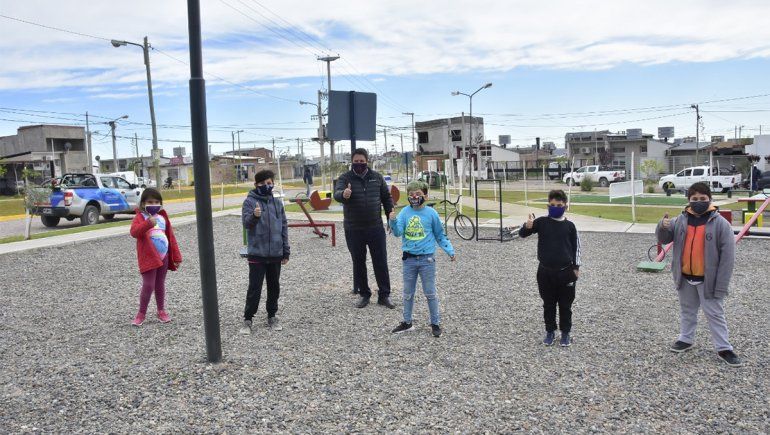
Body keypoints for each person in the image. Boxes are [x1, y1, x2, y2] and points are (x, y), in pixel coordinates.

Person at [656, 182, 741, 367]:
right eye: (694, 199)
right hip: (685, 276)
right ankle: (686, 338)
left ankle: (724, 347)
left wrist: (721, 284)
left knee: (715, 314)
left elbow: (728, 258)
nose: (699, 202)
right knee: (687, 310)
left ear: (710, 199)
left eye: (703, 199)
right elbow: (664, 238)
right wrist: (662, 226)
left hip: (708, 280)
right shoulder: (681, 220)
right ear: (688, 200)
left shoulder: (721, 224)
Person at [389, 181, 455, 338]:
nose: (414, 197)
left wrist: (449, 250)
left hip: (427, 260)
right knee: (407, 293)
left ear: (425, 195)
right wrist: (392, 221)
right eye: (411, 193)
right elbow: (398, 233)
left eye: (418, 193)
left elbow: (440, 234)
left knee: (430, 292)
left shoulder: (431, 214)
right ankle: (407, 321)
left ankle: (435, 322)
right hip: (409, 259)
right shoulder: (405, 212)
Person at [334, 148, 395, 309]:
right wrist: (343, 194)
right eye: (356, 161)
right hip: (354, 229)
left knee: (380, 261)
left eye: (362, 161)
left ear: (367, 161)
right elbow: (337, 193)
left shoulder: (377, 177)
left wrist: (390, 214)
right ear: (351, 161)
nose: (359, 164)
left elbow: (386, 198)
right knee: (358, 262)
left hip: (375, 227)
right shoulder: (345, 178)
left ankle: (384, 295)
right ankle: (364, 294)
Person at [518, 189, 581, 347]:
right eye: (552, 205)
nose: (555, 207)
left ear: (565, 206)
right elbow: (523, 233)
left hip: (566, 272)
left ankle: (565, 333)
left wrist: (576, 267)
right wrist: (528, 225)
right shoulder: (541, 222)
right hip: (545, 272)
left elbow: (577, 248)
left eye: (559, 205)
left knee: (566, 305)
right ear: (548, 205)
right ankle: (550, 331)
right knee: (548, 304)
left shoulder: (570, 226)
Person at [240, 170, 290, 335]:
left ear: (273, 184)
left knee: (274, 286)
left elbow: (283, 227)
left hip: (275, 253)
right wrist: (254, 216)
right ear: (256, 185)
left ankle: (272, 315)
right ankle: (248, 318)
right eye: (262, 184)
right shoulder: (249, 202)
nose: (266, 186)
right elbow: (247, 224)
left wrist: (285, 251)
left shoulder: (277, 204)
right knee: (255, 287)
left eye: (269, 183)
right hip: (257, 254)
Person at [129, 188, 182, 327]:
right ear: (143, 203)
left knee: (160, 284)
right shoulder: (140, 217)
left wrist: (176, 256)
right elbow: (134, 232)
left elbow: (171, 238)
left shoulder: (163, 218)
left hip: (164, 256)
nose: (154, 204)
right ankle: (141, 314)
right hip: (149, 257)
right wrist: (147, 224)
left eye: (157, 202)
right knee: (148, 285)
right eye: (150, 201)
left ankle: (161, 311)